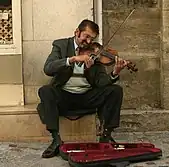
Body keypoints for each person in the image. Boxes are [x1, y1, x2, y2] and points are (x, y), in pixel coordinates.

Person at [37, 19, 127, 158]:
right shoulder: (61, 45)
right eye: (86, 36)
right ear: (77, 32)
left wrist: (114, 72)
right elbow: (48, 68)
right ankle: (56, 140)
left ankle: (106, 136)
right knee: (45, 91)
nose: (89, 42)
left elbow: (101, 82)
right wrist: (72, 59)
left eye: (92, 38)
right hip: (64, 95)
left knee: (115, 91)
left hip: (87, 96)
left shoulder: (96, 52)